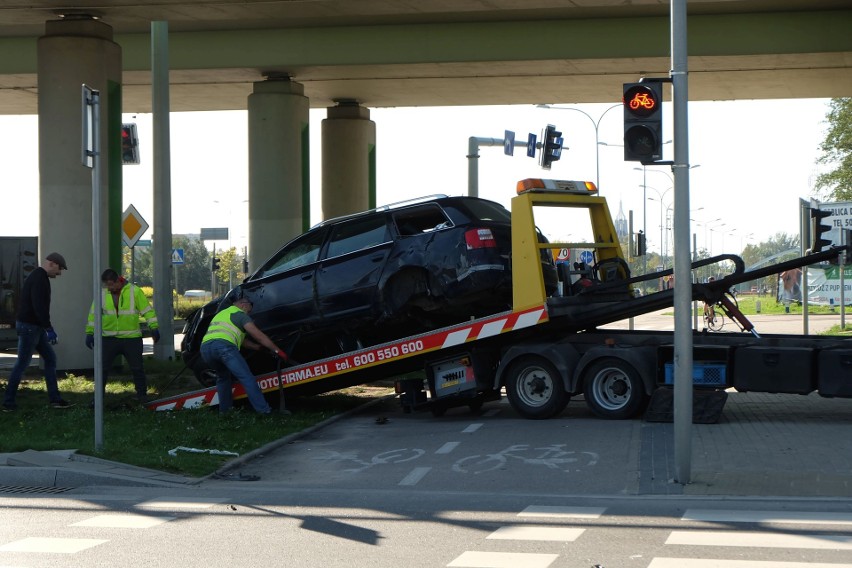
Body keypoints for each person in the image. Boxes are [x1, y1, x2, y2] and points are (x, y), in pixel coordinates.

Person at [2, 252, 73, 411]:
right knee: (22, 364)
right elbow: (39, 306)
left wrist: (45, 327)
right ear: (52, 263)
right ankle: (8, 402)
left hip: (34, 326)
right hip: (30, 326)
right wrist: (49, 328)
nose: (59, 273)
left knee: (50, 359)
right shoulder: (40, 279)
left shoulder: (38, 276)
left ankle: (55, 399)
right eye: (60, 269)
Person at [200, 297, 288, 415]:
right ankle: (264, 411)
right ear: (243, 305)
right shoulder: (240, 314)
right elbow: (258, 336)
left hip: (206, 350)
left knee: (223, 378)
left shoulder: (223, 314)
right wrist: (278, 351)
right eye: (250, 309)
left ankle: (225, 412)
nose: (249, 313)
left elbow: (243, 341)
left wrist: (258, 348)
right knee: (247, 378)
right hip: (224, 347)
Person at [85, 269, 160, 403]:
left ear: (118, 281)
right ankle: (97, 398)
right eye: (107, 285)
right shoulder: (102, 294)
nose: (109, 288)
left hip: (131, 338)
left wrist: (154, 327)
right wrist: (89, 332)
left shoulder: (134, 291)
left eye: (111, 285)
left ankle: (142, 395)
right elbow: (93, 315)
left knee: (137, 368)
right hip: (109, 338)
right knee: (102, 369)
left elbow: (147, 311)